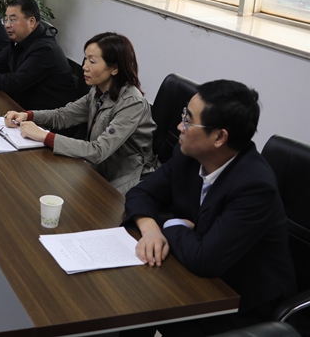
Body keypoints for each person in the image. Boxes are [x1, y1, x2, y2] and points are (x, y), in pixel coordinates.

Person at [122, 80, 296, 335]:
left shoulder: (254, 186)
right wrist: (151, 231)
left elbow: (205, 260)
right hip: (194, 276)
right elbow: (141, 192)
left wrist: (171, 224)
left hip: (241, 303)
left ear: (219, 137)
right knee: (130, 299)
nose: (179, 127)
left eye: (188, 121)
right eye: (184, 115)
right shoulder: (187, 156)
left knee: (139, 304)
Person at [5, 32, 156, 194]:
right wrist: (28, 115)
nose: (84, 66)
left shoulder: (132, 103)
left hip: (126, 178)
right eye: (85, 59)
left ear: (114, 69)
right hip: (99, 168)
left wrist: (44, 136)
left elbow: (99, 150)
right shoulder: (98, 91)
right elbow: (64, 115)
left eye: (92, 61)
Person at [0, 0, 78, 110]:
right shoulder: (20, 40)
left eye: (13, 20)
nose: (7, 25)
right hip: (22, 106)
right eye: (6, 19)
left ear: (31, 22)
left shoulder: (46, 50)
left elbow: (13, 83)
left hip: (46, 117)